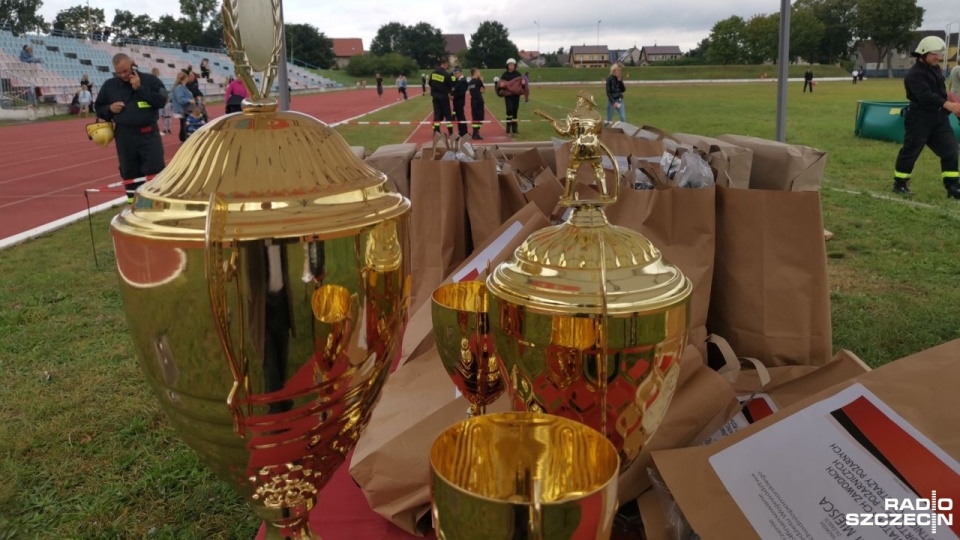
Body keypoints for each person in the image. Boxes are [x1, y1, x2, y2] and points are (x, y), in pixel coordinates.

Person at [891, 36, 960, 199]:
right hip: (919, 119)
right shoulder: (914, 75)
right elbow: (925, 95)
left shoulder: (935, 69)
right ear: (923, 53)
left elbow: (941, 92)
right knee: (910, 151)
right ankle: (900, 184)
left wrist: (954, 104)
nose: (938, 56)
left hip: (939, 119)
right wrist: (946, 104)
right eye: (934, 53)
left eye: (939, 53)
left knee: (951, 150)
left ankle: (953, 186)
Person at [94, 53, 167, 203]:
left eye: (125, 71)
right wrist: (109, 108)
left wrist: (140, 88)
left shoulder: (151, 81)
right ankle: (134, 205)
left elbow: (161, 101)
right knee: (129, 172)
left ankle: (157, 203)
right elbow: (99, 108)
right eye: (118, 72)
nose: (122, 75)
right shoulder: (109, 85)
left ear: (132, 64)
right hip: (124, 136)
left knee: (155, 169)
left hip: (149, 135)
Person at [499, 58, 528, 134]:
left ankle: (515, 128)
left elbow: (522, 85)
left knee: (515, 111)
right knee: (509, 110)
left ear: (515, 66)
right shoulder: (504, 75)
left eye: (512, 65)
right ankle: (508, 126)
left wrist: (523, 83)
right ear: (507, 66)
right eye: (509, 65)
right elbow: (501, 85)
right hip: (508, 96)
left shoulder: (518, 74)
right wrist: (501, 85)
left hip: (516, 95)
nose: (511, 66)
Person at [429, 59, 454, 135]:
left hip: (435, 96)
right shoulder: (446, 74)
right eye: (448, 64)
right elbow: (450, 86)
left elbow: (430, 83)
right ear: (445, 64)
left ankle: (436, 132)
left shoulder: (433, 73)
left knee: (437, 114)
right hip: (443, 96)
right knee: (447, 114)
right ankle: (451, 133)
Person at [171, 72, 194, 142]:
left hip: (186, 109)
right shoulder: (179, 87)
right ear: (184, 78)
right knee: (184, 125)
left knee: (184, 125)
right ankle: (183, 139)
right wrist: (189, 100)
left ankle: (184, 139)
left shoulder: (183, 87)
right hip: (183, 110)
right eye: (186, 77)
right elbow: (180, 99)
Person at [468, 67, 485, 140]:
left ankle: (475, 134)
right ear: (475, 73)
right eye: (478, 72)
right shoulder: (478, 81)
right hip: (478, 101)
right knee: (480, 117)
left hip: (473, 101)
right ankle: (476, 134)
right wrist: (481, 81)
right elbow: (482, 90)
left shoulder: (470, 82)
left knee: (475, 117)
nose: (480, 73)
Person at [451, 66, 469, 137]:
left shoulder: (463, 81)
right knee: (459, 117)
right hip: (457, 101)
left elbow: (461, 92)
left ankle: (464, 132)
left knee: (461, 117)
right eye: (454, 73)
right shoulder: (459, 80)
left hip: (459, 101)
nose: (455, 75)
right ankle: (461, 131)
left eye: (456, 73)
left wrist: (454, 96)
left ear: (460, 73)